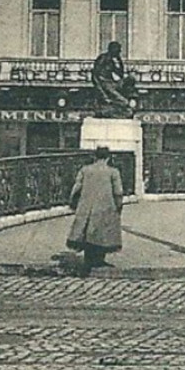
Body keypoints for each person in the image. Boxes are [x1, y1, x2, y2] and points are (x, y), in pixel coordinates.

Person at [66, 146, 125, 274]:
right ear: (108, 158)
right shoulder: (113, 172)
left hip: (86, 206)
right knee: (103, 234)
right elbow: (118, 192)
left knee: (87, 232)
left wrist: (72, 202)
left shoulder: (85, 170)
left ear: (95, 157)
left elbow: (76, 188)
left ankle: (89, 259)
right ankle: (99, 259)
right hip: (106, 207)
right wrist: (118, 206)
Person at [90, 41, 135, 117]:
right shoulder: (103, 58)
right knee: (124, 102)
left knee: (131, 78)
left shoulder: (117, 60)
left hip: (114, 83)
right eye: (118, 49)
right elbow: (95, 75)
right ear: (112, 49)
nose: (119, 51)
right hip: (105, 83)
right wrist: (101, 90)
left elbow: (119, 74)